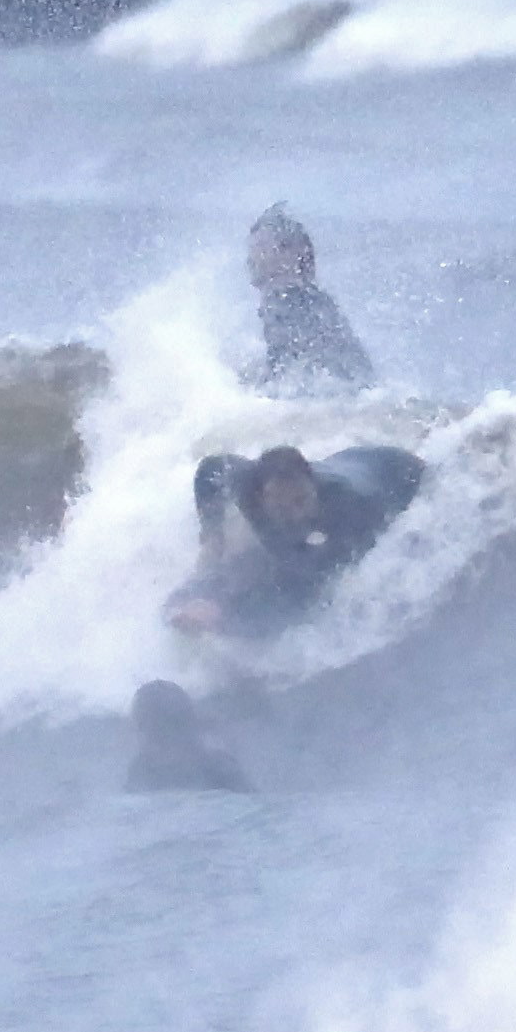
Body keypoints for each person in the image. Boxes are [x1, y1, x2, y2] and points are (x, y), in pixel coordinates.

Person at [166, 443, 424, 637]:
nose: (294, 515)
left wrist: (221, 614)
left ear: (313, 488)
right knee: (238, 565)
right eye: (280, 507)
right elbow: (210, 469)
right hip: (353, 462)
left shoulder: (343, 515)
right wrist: (213, 533)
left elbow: (299, 597)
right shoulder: (246, 484)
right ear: (259, 498)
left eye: (301, 501)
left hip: (401, 475)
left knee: (286, 568)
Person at [244, 204, 375, 396]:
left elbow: (277, 379)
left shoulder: (286, 302)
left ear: (290, 254)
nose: (250, 260)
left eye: (260, 248)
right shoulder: (319, 302)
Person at [125, 680, 252, 793]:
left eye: (141, 724)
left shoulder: (219, 768)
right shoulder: (141, 769)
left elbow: (251, 805)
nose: (138, 733)